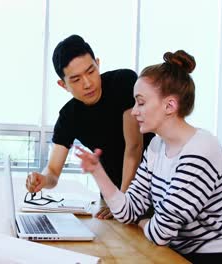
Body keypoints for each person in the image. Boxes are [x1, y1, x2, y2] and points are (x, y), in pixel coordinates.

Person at [76, 50, 222, 263]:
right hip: (180, 253)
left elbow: (161, 233)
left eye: (140, 102)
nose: (134, 111)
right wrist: (98, 172)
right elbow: (127, 211)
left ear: (169, 106)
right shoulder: (156, 146)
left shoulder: (201, 148)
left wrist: (143, 222)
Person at [25, 34, 154, 219]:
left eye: (91, 71)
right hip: (113, 199)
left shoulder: (123, 81)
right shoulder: (68, 116)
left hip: (147, 193)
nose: (87, 83)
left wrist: (123, 202)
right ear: (63, 85)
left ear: (98, 64)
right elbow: (53, 171)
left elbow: (133, 148)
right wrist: (43, 180)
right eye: (76, 79)